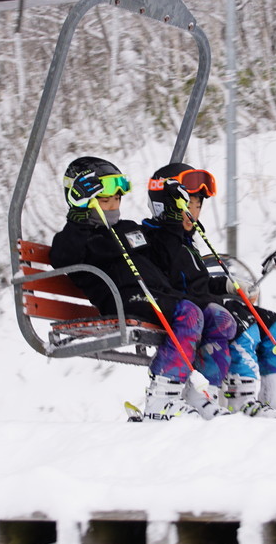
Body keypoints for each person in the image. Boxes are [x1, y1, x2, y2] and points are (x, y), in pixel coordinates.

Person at [48, 156, 236, 420]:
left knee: (220, 318)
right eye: (105, 201)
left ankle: (204, 395)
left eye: (117, 199)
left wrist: (173, 217)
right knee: (189, 314)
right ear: (81, 202)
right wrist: (78, 219)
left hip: (160, 294)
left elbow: (164, 253)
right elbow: (63, 257)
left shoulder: (128, 229)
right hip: (125, 299)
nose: (113, 206)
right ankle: (161, 398)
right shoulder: (80, 238)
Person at [141, 163, 276, 419]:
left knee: (272, 322)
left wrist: (230, 285)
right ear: (167, 205)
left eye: (197, 206)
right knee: (241, 322)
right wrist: (215, 296)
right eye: (187, 205)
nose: (193, 212)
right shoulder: (156, 241)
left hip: (204, 303)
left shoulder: (186, 244)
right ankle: (241, 398)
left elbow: (201, 282)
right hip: (189, 308)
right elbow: (172, 287)